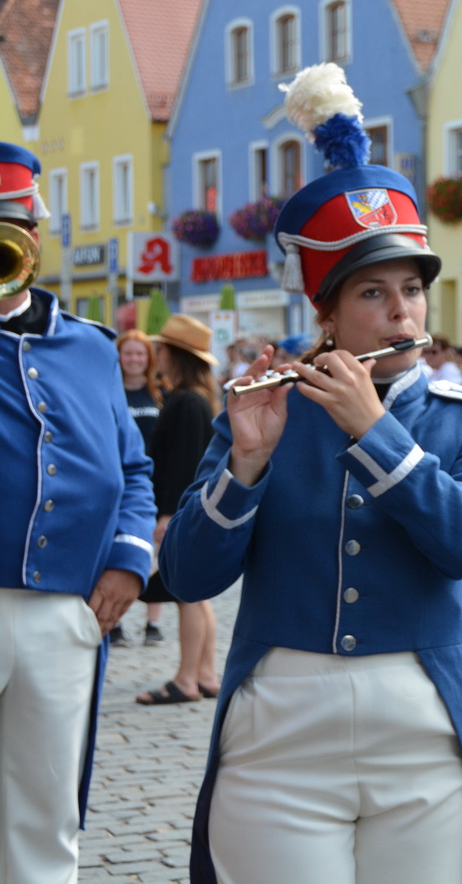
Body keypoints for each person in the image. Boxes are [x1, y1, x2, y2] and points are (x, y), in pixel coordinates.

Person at [159, 64, 462, 884]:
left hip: (423, 726)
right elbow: (187, 573)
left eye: (412, 290)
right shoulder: (264, 410)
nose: (402, 313)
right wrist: (244, 465)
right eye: (373, 293)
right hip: (281, 725)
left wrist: (378, 433)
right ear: (326, 312)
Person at [0, 142, 156, 883]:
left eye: (12, 222)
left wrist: (129, 558)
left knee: (47, 806)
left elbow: (132, 467)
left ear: (36, 233)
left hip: (65, 609)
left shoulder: (91, 348)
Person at [134, 317, 221, 706]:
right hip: (190, 509)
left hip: (182, 510)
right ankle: (203, 674)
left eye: (162, 348)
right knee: (196, 595)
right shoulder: (192, 397)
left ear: (176, 355)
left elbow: (184, 465)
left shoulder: (186, 401)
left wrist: (168, 514)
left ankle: (187, 678)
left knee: (187, 593)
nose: (158, 354)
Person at [116, 328, 162, 647]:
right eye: (128, 353)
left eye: (139, 354)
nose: (134, 359)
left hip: (155, 481)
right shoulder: (109, 391)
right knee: (116, 545)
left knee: (156, 551)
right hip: (118, 482)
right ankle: (116, 620)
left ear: (148, 359)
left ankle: (153, 622)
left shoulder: (161, 393)